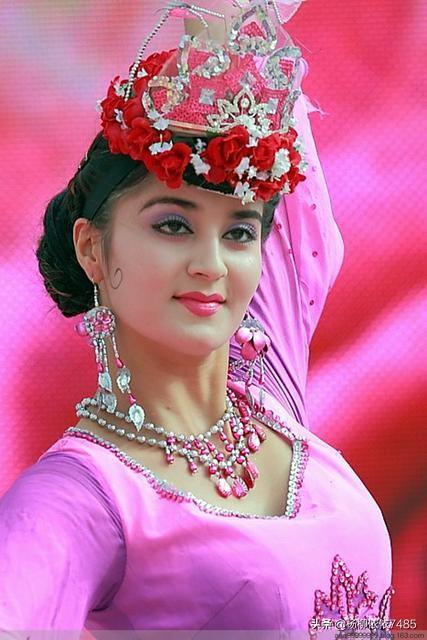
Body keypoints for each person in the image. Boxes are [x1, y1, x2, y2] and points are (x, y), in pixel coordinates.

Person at [0, 1, 395, 636]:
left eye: (238, 232)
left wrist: (223, 37)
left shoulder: (268, 384)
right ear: (92, 248)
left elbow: (238, 29)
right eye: (173, 225)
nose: (212, 265)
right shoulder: (83, 498)